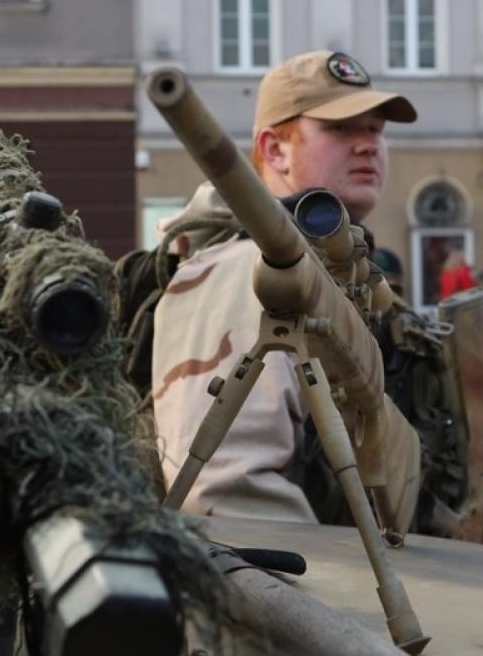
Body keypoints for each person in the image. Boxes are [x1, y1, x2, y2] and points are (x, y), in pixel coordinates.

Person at [151, 51, 416, 522]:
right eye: (341, 128)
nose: (368, 145)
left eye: (375, 130)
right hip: (316, 586)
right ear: (275, 150)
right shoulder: (250, 269)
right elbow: (232, 506)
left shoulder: (348, 275)